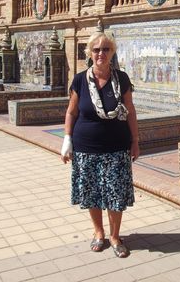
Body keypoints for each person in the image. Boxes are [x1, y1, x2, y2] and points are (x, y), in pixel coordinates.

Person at [61, 31, 140, 258]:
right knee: (92, 193)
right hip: (86, 148)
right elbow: (72, 111)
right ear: (89, 53)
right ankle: (99, 233)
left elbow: (131, 111)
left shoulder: (121, 79)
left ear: (112, 52)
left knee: (115, 195)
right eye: (96, 49)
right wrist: (67, 139)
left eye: (106, 49)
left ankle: (115, 236)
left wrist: (135, 141)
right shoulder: (80, 80)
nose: (101, 54)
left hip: (116, 148)